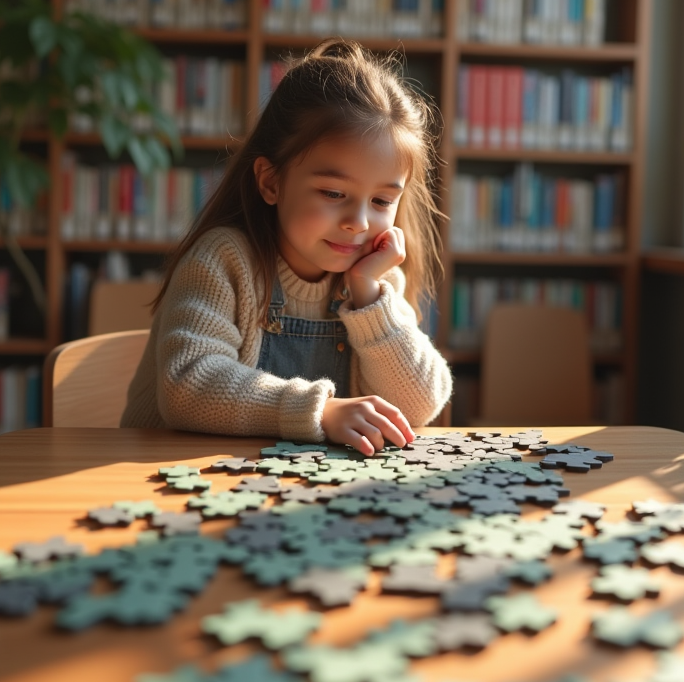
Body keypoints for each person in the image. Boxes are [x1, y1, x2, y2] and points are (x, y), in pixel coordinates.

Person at [121, 38, 452, 454]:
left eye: (382, 201)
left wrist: (369, 297)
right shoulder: (223, 260)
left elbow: (419, 405)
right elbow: (188, 384)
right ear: (271, 182)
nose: (359, 223)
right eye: (333, 193)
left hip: (299, 491)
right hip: (171, 475)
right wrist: (321, 411)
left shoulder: (375, 278)